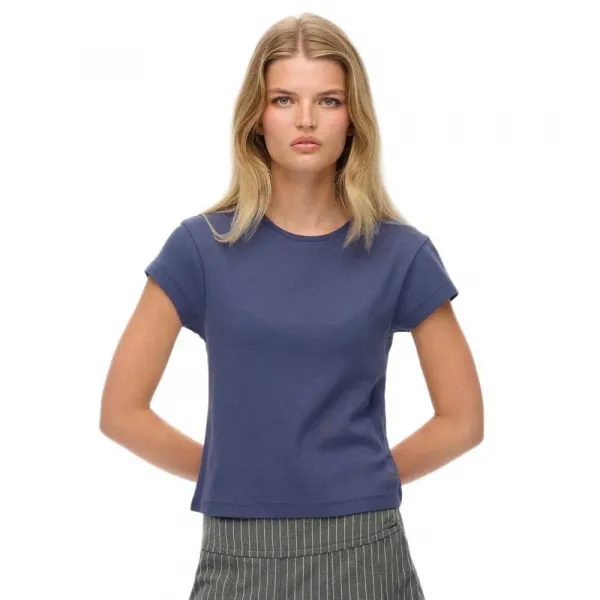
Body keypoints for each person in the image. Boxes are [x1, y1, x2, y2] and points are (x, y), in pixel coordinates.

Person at [100, 12, 483, 599]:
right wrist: (232, 474)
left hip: (366, 549)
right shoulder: (201, 249)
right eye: (285, 99)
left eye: (328, 100)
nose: (306, 119)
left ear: (353, 117)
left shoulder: (401, 254)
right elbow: (121, 412)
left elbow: (463, 421)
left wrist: (362, 481)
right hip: (238, 552)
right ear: (257, 116)